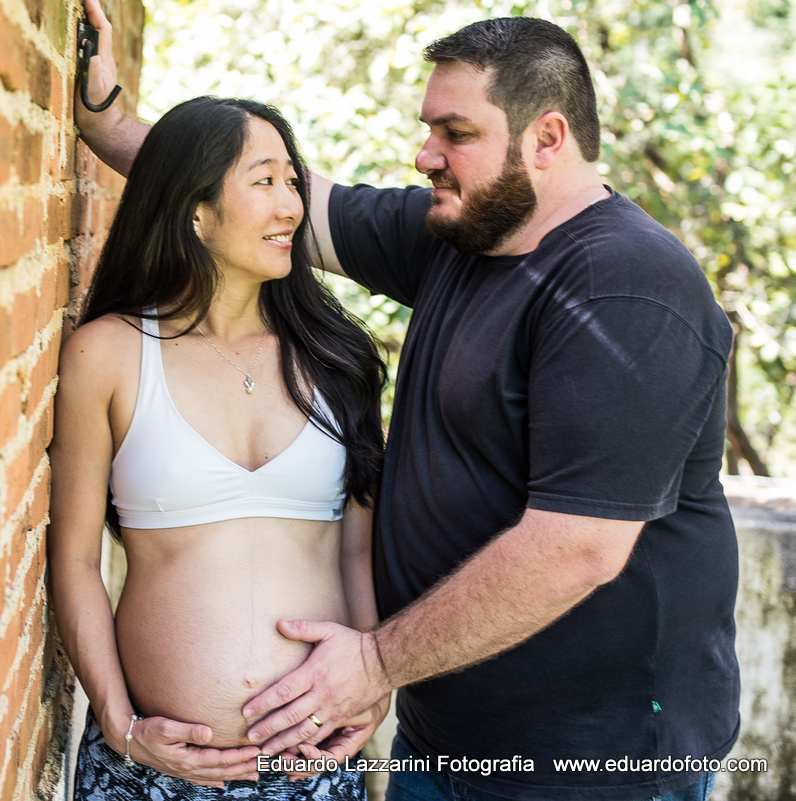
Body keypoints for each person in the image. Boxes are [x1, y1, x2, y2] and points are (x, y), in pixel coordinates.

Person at [75, 6, 740, 801]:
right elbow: (232, 193)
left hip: (590, 766)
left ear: (547, 138)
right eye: (430, 129)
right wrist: (108, 121)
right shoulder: (457, 235)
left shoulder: (624, 284)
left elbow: (579, 546)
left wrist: (375, 662)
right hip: (443, 742)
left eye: (456, 133)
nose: (426, 154)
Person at [48, 94, 391, 800]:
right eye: (265, 181)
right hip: (150, 773)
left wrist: (372, 680)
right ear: (195, 212)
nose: (291, 206)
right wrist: (118, 722)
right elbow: (76, 559)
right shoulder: (108, 354)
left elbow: (355, 550)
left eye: (293, 181)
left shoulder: (337, 359)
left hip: (314, 769)